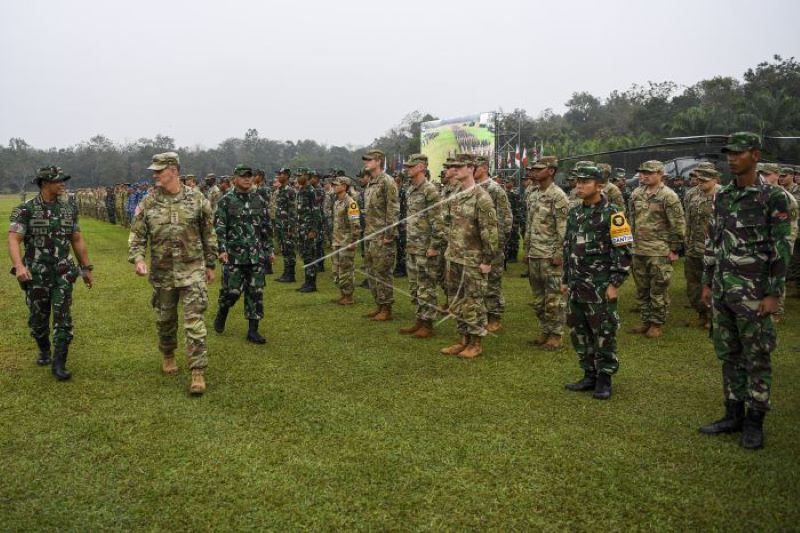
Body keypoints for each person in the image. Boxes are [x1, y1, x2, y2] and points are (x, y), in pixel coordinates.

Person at [698, 133, 792, 449]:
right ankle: (733, 413)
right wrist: (708, 283)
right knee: (729, 355)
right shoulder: (723, 196)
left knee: (757, 357)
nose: (731, 158)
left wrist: (773, 294)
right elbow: (714, 241)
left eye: (738, 153)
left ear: (754, 154)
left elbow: (781, 247)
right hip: (724, 291)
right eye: (729, 153)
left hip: (754, 293)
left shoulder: (774, 197)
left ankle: (755, 421)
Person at [128, 152, 217, 395]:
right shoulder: (148, 202)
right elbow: (137, 235)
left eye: (159, 170)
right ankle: (168, 354)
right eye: (154, 171)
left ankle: (197, 372)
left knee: (194, 322)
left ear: (174, 171)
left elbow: (208, 233)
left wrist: (210, 264)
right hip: (163, 273)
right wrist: (138, 259)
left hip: (192, 270)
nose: (155, 175)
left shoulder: (197, 199)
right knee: (165, 320)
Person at [8, 166, 93, 380]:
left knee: (63, 317)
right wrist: (19, 266)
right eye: (58, 181)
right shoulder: (25, 210)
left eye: (63, 180)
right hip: (35, 274)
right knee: (38, 319)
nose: (62, 184)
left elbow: (77, 239)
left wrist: (86, 268)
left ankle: (59, 364)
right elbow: (14, 239)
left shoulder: (69, 209)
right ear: (44, 183)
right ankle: (44, 349)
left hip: (63, 272)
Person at [562, 166, 632, 400]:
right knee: (579, 331)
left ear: (600, 185)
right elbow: (568, 247)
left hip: (600, 286)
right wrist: (565, 279)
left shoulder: (614, 213)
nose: (579, 186)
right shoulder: (574, 213)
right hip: (577, 284)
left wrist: (614, 284)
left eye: (585, 182)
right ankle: (588, 373)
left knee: (603, 331)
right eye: (577, 182)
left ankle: (604, 378)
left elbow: (624, 251)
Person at [440, 154, 498, 359]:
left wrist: (487, 260)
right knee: (456, 300)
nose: (455, 169)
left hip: (473, 259)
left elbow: (490, 232)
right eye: (453, 166)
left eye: (459, 166)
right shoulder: (455, 193)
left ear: (471, 168)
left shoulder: (481, 197)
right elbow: (446, 221)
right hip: (454, 256)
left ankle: (476, 343)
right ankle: (463, 339)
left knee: (473, 301)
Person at [213, 164, 274, 344]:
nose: (247, 179)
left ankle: (253, 330)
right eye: (243, 176)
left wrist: (269, 249)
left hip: (256, 255)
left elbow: (265, 228)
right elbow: (220, 227)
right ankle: (223, 310)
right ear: (235, 179)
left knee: (255, 292)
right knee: (231, 292)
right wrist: (222, 249)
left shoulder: (259, 199)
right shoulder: (226, 201)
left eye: (250, 176)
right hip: (234, 254)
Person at [627, 160, 686, 338]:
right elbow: (632, 219)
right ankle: (645, 320)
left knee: (658, 288)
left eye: (649, 173)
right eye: (642, 172)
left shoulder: (668, 196)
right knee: (642, 288)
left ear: (660, 174)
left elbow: (678, 223)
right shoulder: (636, 193)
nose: (644, 175)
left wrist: (674, 249)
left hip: (660, 250)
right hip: (639, 249)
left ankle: (657, 323)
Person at [398, 154, 445, 338]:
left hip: (426, 247)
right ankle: (419, 319)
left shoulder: (430, 190)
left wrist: (434, 246)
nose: (408, 169)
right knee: (415, 286)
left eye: (411, 166)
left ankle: (428, 323)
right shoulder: (411, 189)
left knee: (427, 286)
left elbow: (438, 222)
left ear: (421, 167)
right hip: (413, 245)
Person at [525, 156, 569, 350]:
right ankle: (545, 330)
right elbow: (528, 224)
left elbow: (563, 228)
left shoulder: (558, 196)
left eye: (539, 169)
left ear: (551, 171)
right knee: (538, 299)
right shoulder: (533, 194)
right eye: (533, 169)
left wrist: (559, 253)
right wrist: (527, 249)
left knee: (554, 298)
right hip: (535, 253)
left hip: (550, 255)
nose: (534, 172)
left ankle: (556, 334)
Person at [475, 156, 512, 332]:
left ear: (483, 168)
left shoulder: (495, 189)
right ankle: (482, 315)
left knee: (493, 283)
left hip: (493, 243)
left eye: (474, 166)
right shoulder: (472, 189)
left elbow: (505, 218)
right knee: (479, 282)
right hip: (477, 244)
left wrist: (498, 245)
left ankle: (495, 317)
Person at [361, 149, 399, 321]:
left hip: (382, 236)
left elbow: (393, 210)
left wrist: (389, 235)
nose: (366, 163)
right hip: (370, 235)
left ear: (378, 161)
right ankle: (379, 305)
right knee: (372, 272)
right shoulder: (371, 183)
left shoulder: (387, 182)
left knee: (383, 272)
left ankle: (387, 308)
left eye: (369, 160)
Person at [683, 163, 721, 328]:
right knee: (693, 283)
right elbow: (687, 220)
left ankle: (715, 316)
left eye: (705, 180)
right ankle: (702, 314)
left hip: (715, 249)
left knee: (714, 283)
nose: (700, 182)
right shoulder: (691, 194)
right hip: (694, 247)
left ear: (714, 179)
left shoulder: (723, 194)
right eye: (699, 179)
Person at [330, 175, 361, 305]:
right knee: (336, 270)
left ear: (344, 186)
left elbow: (355, 224)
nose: (334, 186)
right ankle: (343, 294)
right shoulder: (337, 202)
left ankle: (348, 296)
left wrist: (353, 241)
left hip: (346, 242)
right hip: (337, 241)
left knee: (346, 269)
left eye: (337, 184)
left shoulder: (351, 203)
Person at [295, 169, 323, 292]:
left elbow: (316, 212)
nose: (297, 177)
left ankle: (312, 284)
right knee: (305, 255)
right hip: (301, 228)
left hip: (308, 229)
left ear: (306, 176)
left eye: (300, 175)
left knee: (310, 255)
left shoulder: (311, 191)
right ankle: (307, 282)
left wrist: (314, 230)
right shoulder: (301, 190)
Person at [274, 168, 297, 283]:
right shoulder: (280, 190)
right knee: (284, 249)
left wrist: (291, 228)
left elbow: (292, 211)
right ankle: (286, 272)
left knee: (289, 250)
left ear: (287, 176)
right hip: (280, 225)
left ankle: (291, 274)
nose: (278, 176)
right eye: (278, 174)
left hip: (287, 226)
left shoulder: (290, 191)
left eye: (281, 174)